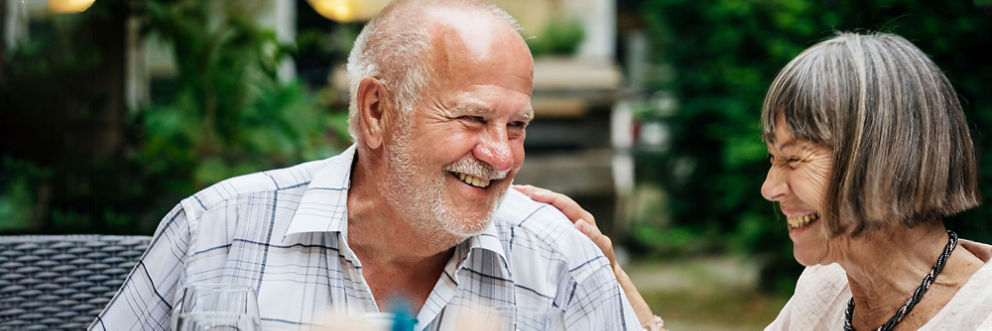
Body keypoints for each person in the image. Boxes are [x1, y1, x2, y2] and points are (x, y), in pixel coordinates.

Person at [90, 0, 640, 330]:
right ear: (377, 112)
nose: (501, 155)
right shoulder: (216, 231)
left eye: (516, 126)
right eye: (472, 119)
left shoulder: (557, 255)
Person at [519, 32, 992, 330]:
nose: (769, 188)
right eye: (772, 159)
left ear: (883, 158)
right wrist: (614, 276)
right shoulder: (825, 289)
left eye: (793, 159)